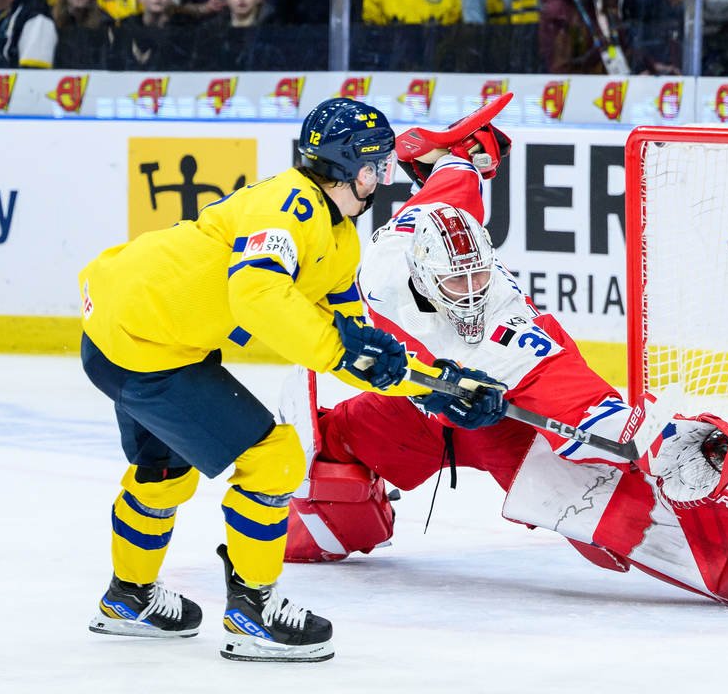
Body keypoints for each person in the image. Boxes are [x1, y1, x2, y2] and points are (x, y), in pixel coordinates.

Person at [295, 105, 728, 608]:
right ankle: (312, 532)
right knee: (331, 451)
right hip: (415, 408)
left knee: (594, 504)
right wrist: (454, 156)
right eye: (457, 282)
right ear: (423, 272)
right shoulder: (384, 272)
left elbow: (584, 403)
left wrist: (655, 441)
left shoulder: (508, 325)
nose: (473, 292)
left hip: (497, 421)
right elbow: (450, 185)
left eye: (480, 275)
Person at [78, 95, 462, 661]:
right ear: (355, 168)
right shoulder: (289, 210)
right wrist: (346, 351)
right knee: (275, 457)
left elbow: (363, 343)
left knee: (163, 471)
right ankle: (252, 613)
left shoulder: (336, 235)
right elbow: (257, 297)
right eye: (379, 165)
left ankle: (127, 599)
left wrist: (439, 385)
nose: (384, 178)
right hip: (146, 348)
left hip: (127, 327)